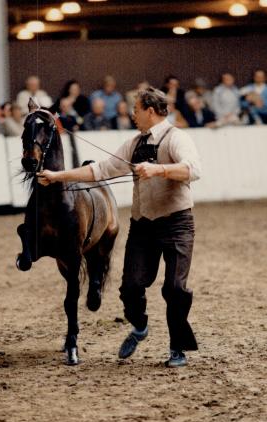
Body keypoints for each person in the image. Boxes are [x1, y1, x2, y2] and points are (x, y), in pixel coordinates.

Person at [37, 87, 201, 367]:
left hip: (176, 224)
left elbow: (192, 170)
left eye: (136, 110)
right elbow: (100, 170)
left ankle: (178, 348)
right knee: (130, 287)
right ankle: (140, 327)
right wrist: (57, 176)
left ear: (150, 111)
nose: (133, 115)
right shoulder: (134, 143)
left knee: (175, 288)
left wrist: (158, 169)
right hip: (143, 227)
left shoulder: (177, 138)